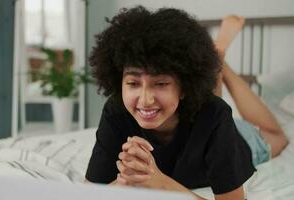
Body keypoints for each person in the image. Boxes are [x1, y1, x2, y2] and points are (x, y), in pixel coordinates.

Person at [85, 6, 288, 200]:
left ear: (184, 87)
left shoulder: (215, 114)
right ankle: (216, 61)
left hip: (240, 137)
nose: (145, 100)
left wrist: (161, 183)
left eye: (161, 83)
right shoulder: (116, 109)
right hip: (205, 119)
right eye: (133, 83)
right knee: (209, 104)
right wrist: (123, 183)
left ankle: (219, 62)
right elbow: (88, 194)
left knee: (277, 138)